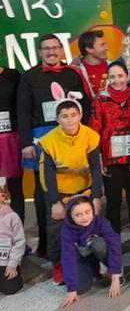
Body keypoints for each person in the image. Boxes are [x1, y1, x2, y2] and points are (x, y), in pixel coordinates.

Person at [18, 34, 91, 255]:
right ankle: (46, 244)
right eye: (46, 49)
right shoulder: (28, 77)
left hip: (71, 135)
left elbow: (85, 106)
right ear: (40, 52)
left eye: (55, 48)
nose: (51, 52)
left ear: (61, 50)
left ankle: (79, 237)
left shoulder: (72, 74)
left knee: (75, 185)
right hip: (41, 137)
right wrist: (25, 143)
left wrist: (83, 136)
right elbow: (22, 111)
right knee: (44, 190)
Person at [39, 95, 104, 284]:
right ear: (57, 118)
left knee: (89, 228)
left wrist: (97, 197)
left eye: (73, 115)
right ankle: (58, 266)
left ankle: (93, 265)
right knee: (56, 231)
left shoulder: (90, 136)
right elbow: (48, 175)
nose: (69, 119)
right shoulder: (49, 141)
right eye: (64, 116)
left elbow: (95, 169)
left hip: (84, 189)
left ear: (80, 116)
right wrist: (54, 202)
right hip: (59, 192)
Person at [90, 62, 130, 237]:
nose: (117, 80)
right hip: (111, 160)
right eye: (112, 77)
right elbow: (94, 133)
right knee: (113, 199)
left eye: (120, 76)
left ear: (127, 76)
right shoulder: (100, 101)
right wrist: (98, 159)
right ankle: (112, 238)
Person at [59, 196, 122, 308]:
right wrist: (71, 288)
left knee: (99, 244)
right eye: (78, 215)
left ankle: (112, 270)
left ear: (93, 210)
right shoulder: (66, 230)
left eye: (87, 212)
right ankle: (93, 270)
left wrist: (115, 274)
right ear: (71, 217)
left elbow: (114, 245)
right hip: (83, 257)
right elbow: (68, 258)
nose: (84, 217)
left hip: (100, 250)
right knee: (80, 288)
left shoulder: (101, 222)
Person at [0, 61, 23, 222]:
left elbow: (22, 104)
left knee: (15, 188)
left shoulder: (13, 75)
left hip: (12, 138)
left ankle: (18, 233)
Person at [0, 179, 25, 295]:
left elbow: (19, 242)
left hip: (6, 261)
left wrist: (13, 264)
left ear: (2, 196)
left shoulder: (12, 217)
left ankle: (15, 272)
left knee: (10, 288)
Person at [70, 29, 109, 99]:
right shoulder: (75, 72)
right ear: (89, 49)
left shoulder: (113, 67)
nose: (107, 48)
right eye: (102, 45)